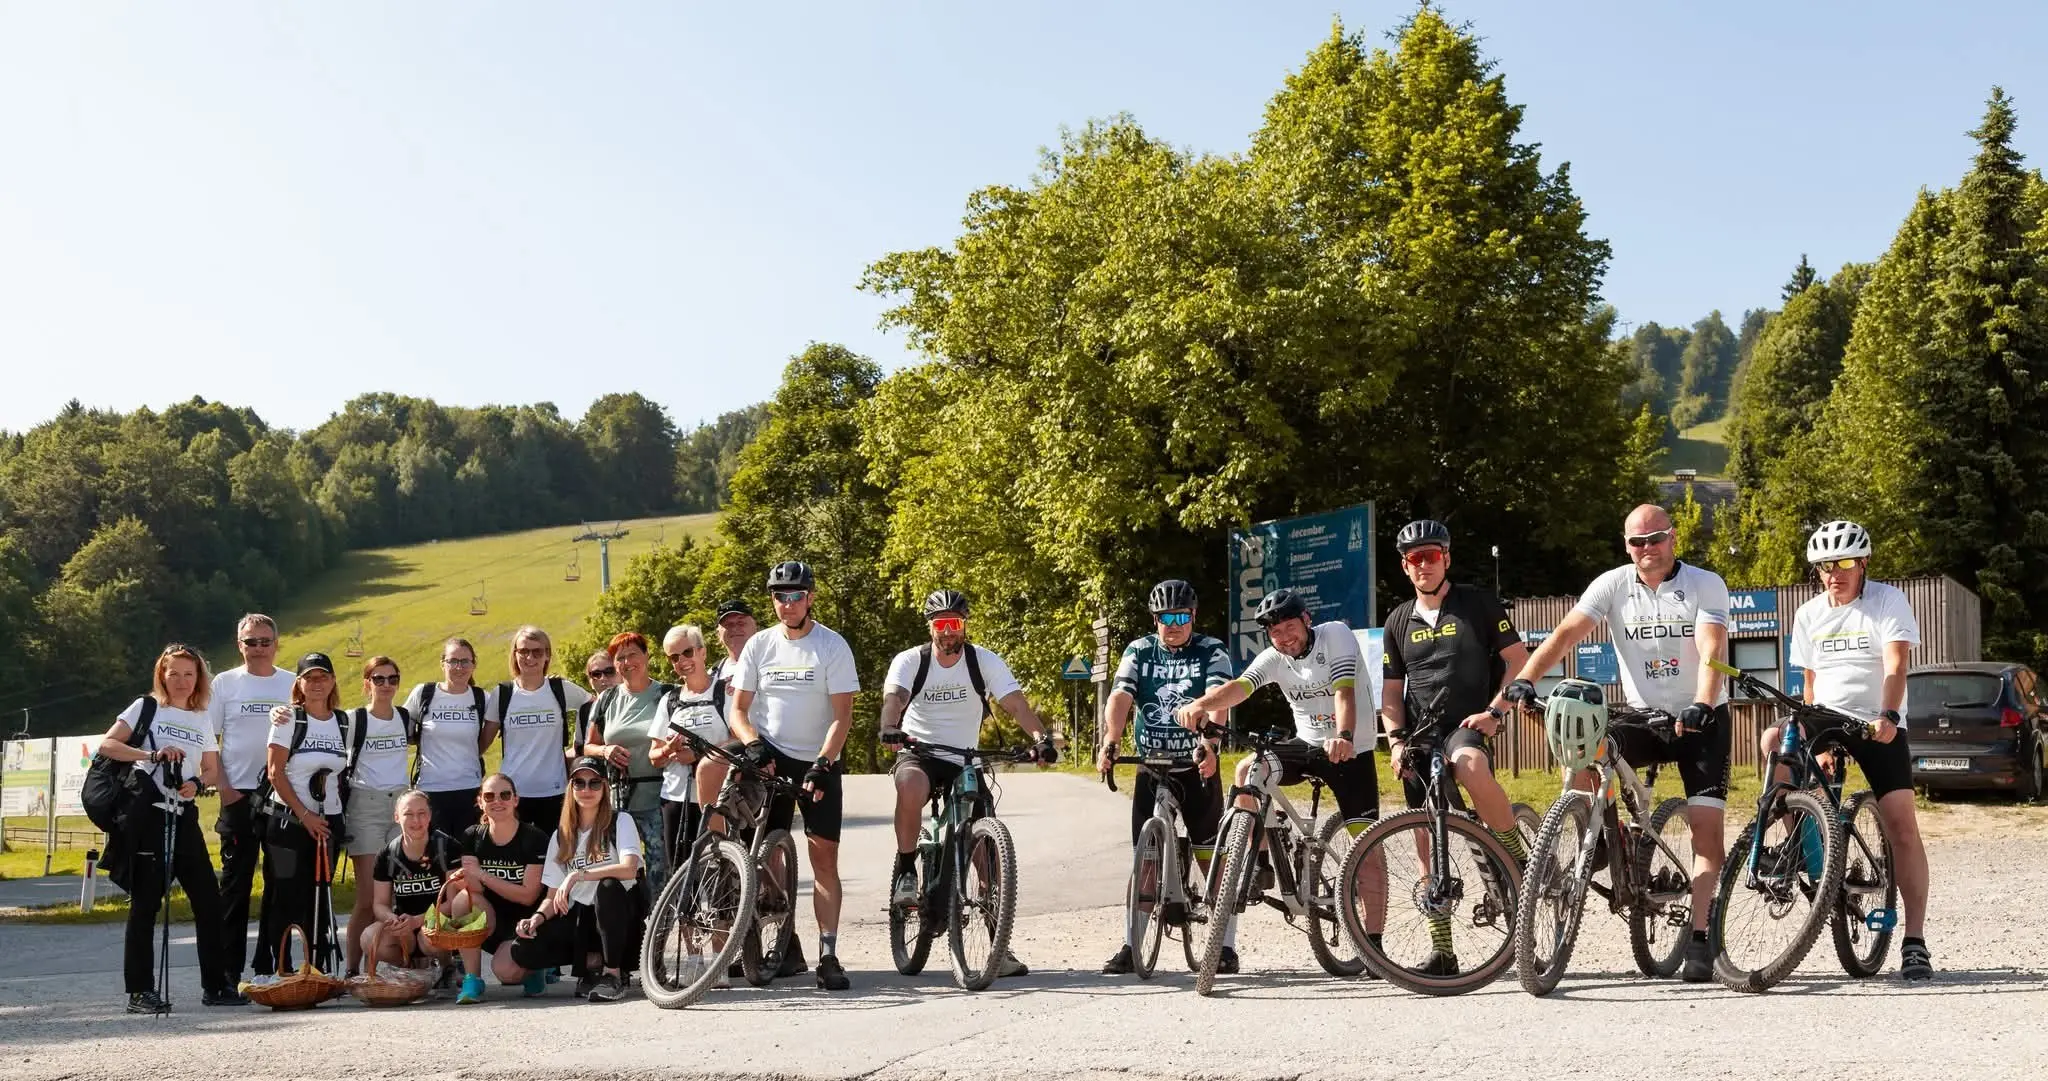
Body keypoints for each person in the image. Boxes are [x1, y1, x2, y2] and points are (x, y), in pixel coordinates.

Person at [1506, 503, 1731, 982]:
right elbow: (1567, 632)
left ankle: (1698, 936)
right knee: (1588, 744)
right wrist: (1526, 677)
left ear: (1673, 539)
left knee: (1706, 832)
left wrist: (1704, 702)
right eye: (1636, 542)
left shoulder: (1704, 584)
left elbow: (1713, 645)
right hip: (1645, 715)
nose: (1646, 549)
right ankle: (1600, 832)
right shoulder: (1613, 583)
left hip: (1702, 716)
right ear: (1626, 545)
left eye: (1655, 539)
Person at [1171, 588, 1381, 974]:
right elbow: (1237, 688)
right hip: (1305, 745)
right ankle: (1257, 860)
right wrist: (1202, 705)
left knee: (1367, 847)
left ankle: (1374, 946)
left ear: (1306, 620)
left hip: (1351, 749)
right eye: (1276, 633)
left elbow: (1344, 693)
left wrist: (1346, 736)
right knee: (1248, 770)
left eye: (1290, 627)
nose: (1285, 638)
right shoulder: (1275, 657)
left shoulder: (1335, 635)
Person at [1376, 520, 1534, 975]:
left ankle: (1518, 858)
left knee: (1467, 764)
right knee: (1427, 837)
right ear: (1405, 568)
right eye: (1414, 559)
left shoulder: (1478, 603)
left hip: (1467, 723)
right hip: (1419, 735)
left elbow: (1518, 662)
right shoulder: (1397, 621)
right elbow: (1391, 693)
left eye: (1431, 556)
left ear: (1446, 558)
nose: (1423, 565)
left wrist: (1496, 711)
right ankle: (1443, 951)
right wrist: (1395, 741)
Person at [879, 589, 1056, 979]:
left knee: (989, 853)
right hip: (919, 751)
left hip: (965, 758)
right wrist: (890, 727)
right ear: (930, 627)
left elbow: (1015, 703)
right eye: (940, 624)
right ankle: (908, 868)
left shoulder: (983, 661)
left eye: (954, 624)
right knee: (909, 786)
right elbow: (895, 697)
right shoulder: (912, 661)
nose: (947, 632)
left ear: (964, 624)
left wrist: (1040, 739)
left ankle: (998, 945)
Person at [1784, 519, 1933, 980]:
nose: (1835, 572)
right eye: (1826, 565)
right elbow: (1808, 684)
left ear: (1863, 562)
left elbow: (1896, 662)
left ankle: (1914, 942)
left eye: (1845, 562)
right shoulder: (1809, 613)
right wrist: (1813, 736)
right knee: (1777, 744)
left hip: (1875, 723)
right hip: (1826, 720)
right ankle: (1801, 856)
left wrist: (1889, 716)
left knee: (1902, 827)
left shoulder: (1887, 600)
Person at [727, 560, 859, 991]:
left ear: (810, 598)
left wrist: (824, 763)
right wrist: (752, 743)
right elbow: (739, 710)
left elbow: (842, 716)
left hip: (818, 760)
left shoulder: (831, 645)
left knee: (824, 859)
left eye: (796, 596)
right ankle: (769, 919)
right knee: (757, 851)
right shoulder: (760, 645)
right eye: (780, 597)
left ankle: (828, 954)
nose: (787, 604)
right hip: (771, 756)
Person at [1095, 579, 1233, 975]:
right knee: (1145, 857)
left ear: (1192, 617)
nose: (1172, 625)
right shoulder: (1139, 650)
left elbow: (1219, 697)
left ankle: (1224, 943)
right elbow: (1121, 696)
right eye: (1164, 618)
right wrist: (1112, 739)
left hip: (1194, 762)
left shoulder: (1211, 650)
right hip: (1151, 763)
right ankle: (1131, 943)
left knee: (1210, 853)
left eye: (1180, 617)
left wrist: (1210, 745)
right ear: (1154, 620)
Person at [102, 644, 239, 1012]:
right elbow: (108, 744)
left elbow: (210, 769)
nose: (181, 680)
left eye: (188, 673)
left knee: (209, 902)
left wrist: (198, 783)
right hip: (149, 814)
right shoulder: (146, 707)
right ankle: (140, 992)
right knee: (146, 904)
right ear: (162, 674)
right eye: (174, 673)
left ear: (199, 678)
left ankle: (216, 985)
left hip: (185, 814)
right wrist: (151, 755)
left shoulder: (201, 717)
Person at [511, 757, 647, 1003]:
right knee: (523, 948)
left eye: (595, 783)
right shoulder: (562, 835)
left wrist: (578, 875)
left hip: (621, 921)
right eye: (580, 783)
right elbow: (552, 896)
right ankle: (591, 964)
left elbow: (629, 870)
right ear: (570, 788)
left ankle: (613, 973)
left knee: (607, 887)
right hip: (582, 922)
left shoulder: (620, 821)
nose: (586, 790)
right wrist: (536, 918)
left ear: (605, 787)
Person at [208, 613, 297, 987]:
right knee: (235, 886)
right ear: (238, 644)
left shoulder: (293, 683)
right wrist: (226, 790)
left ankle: (276, 966)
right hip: (238, 795)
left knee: (281, 885)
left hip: (283, 798)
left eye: (265, 641)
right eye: (250, 641)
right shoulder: (224, 684)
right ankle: (227, 972)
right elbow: (207, 741)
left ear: (277, 643)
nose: (258, 648)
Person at [254, 653, 350, 979]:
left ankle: (316, 969)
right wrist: (305, 814)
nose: (317, 683)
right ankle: (276, 968)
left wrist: (323, 819)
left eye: (323, 676)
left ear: (333, 680)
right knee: (284, 896)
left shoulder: (344, 722)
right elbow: (274, 773)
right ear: (299, 684)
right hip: (288, 822)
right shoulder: (288, 719)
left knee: (318, 898)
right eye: (310, 677)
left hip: (329, 821)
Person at [338, 655, 414, 978]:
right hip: (365, 805)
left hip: (400, 805)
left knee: (399, 892)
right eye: (378, 679)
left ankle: (401, 962)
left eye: (392, 679)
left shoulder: (405, 718)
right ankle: (353, 969)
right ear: (366, 683)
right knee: (368, 897)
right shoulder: (355, 720)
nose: (386, 685)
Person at [581, 632, 672, 895]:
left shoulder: (667, 695)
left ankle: (663, 928)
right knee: (620, 872)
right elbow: (588, 746)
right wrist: (606, 750)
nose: (627, 662)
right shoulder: (606, 700)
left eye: (633, 654)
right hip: (618, 802)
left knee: (660, 871)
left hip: (659, 797)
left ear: (647, 656)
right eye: (620, 658)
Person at [457, 773, 549, 1002]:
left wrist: (481, 874)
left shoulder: (533, 837)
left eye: (504, 795)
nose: (497, 801)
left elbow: (528, 896)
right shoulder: (472, 836)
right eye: (489, 796)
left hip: (526, 923)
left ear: (515, 800)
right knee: (462, 900)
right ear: (480, 802)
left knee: (506, 973)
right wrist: (470, 878)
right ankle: (472, 979)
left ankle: (533, 968)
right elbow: (475, 889)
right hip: (492, 917)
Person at [649, 624, 731, 873]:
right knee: (680, 874)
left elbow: (738, 740)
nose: (682, 661)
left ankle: (723, 913)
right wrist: (668, 750)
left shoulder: (724, 692)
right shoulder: (670, 700)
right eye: (674, 657)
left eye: (687, 653)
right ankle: (683, 914)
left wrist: (697, 754)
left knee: (720, 869)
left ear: (702, 652)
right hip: (676, 798)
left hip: (718, 798)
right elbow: (654, 756)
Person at [494, 626, 592, 833]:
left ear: (547, 655)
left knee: (555, 857)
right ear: (515, 654)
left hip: (554, 792)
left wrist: (580, 745)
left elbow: (592, 704)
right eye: (524, 651)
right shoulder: (502, 694)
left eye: (537, 652)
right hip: (513, 794)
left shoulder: (560, 689)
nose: (530, 657)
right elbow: (481, 742)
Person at [364, 790, 467, 980]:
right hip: (404, 926)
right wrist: (392, 920)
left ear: (429, 816)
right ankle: (411, 970)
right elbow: (379, 903)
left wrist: (418, 920)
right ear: (396, 817)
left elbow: (453, 903)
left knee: (429, 937)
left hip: (438, 922)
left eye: (421, 814)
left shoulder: (448, 847)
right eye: (408, 814)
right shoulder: (387, 855)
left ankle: (447, 966)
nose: (416, 821)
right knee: (369, 937)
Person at [403, 637, 500, 839]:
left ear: (474, 664)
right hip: (430, 790)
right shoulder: (423, 694)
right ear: (442, 663)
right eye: (453, 661)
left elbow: (484, 741)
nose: (459, 667)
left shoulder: (482, 698)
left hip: (470, 790)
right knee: (434, 858)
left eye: (465, 661)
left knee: (467, 856)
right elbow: (403, 728)